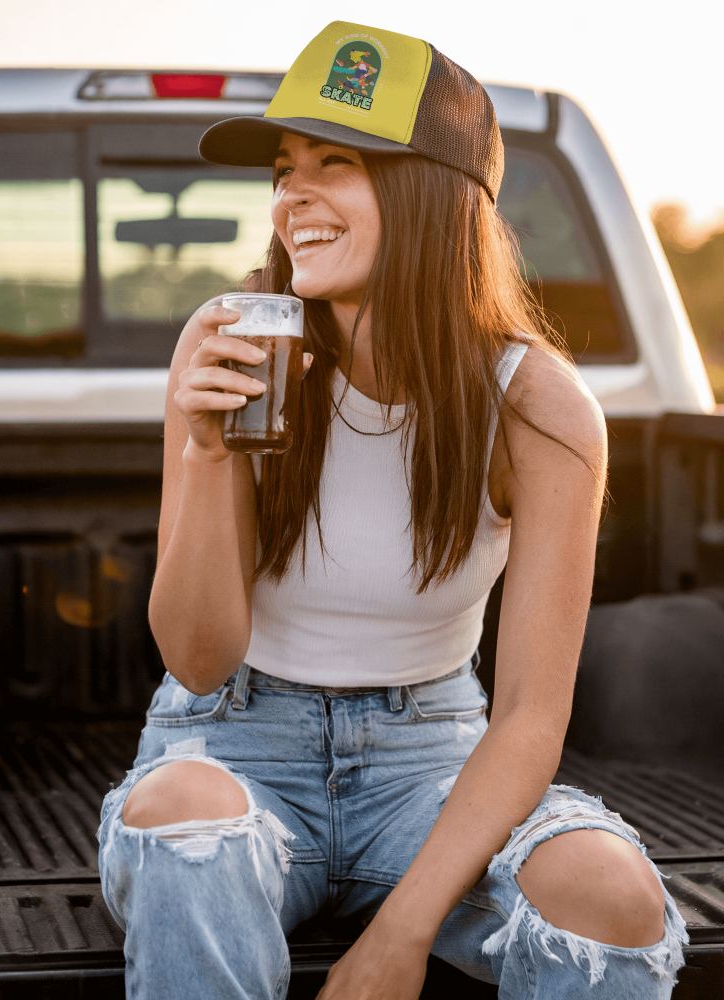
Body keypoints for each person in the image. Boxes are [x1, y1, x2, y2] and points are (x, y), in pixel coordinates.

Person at [96, 19, 689, 999]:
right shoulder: (232, 342)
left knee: (608, 891)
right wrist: (204, 447)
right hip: (232, 737)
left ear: (432, 194)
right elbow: (196, 657)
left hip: (432, 761)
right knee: (189, 824)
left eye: (336, 162)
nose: (292, 194)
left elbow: (532, 717)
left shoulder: (536, 408)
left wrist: (399, 933)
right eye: (285, 167)